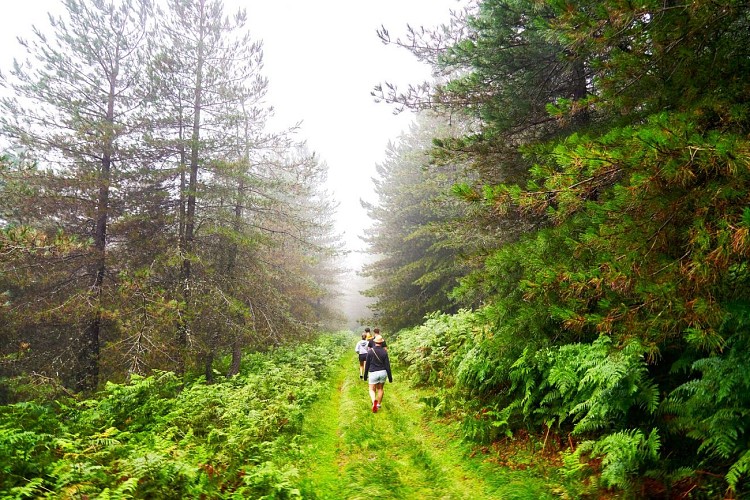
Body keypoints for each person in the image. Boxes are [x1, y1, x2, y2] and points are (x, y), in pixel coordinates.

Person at [363, 334, 392, 413]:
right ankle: (378, 404)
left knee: (371, 389)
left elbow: (367, 364)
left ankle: (373, 402)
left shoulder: (370, 351)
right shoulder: (384, 352)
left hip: (373, 372)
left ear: (374, 342)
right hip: (383, 372)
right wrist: (390, 377)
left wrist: (365, 375)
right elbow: (387, 365)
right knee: (380, 389)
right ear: (382, 343)